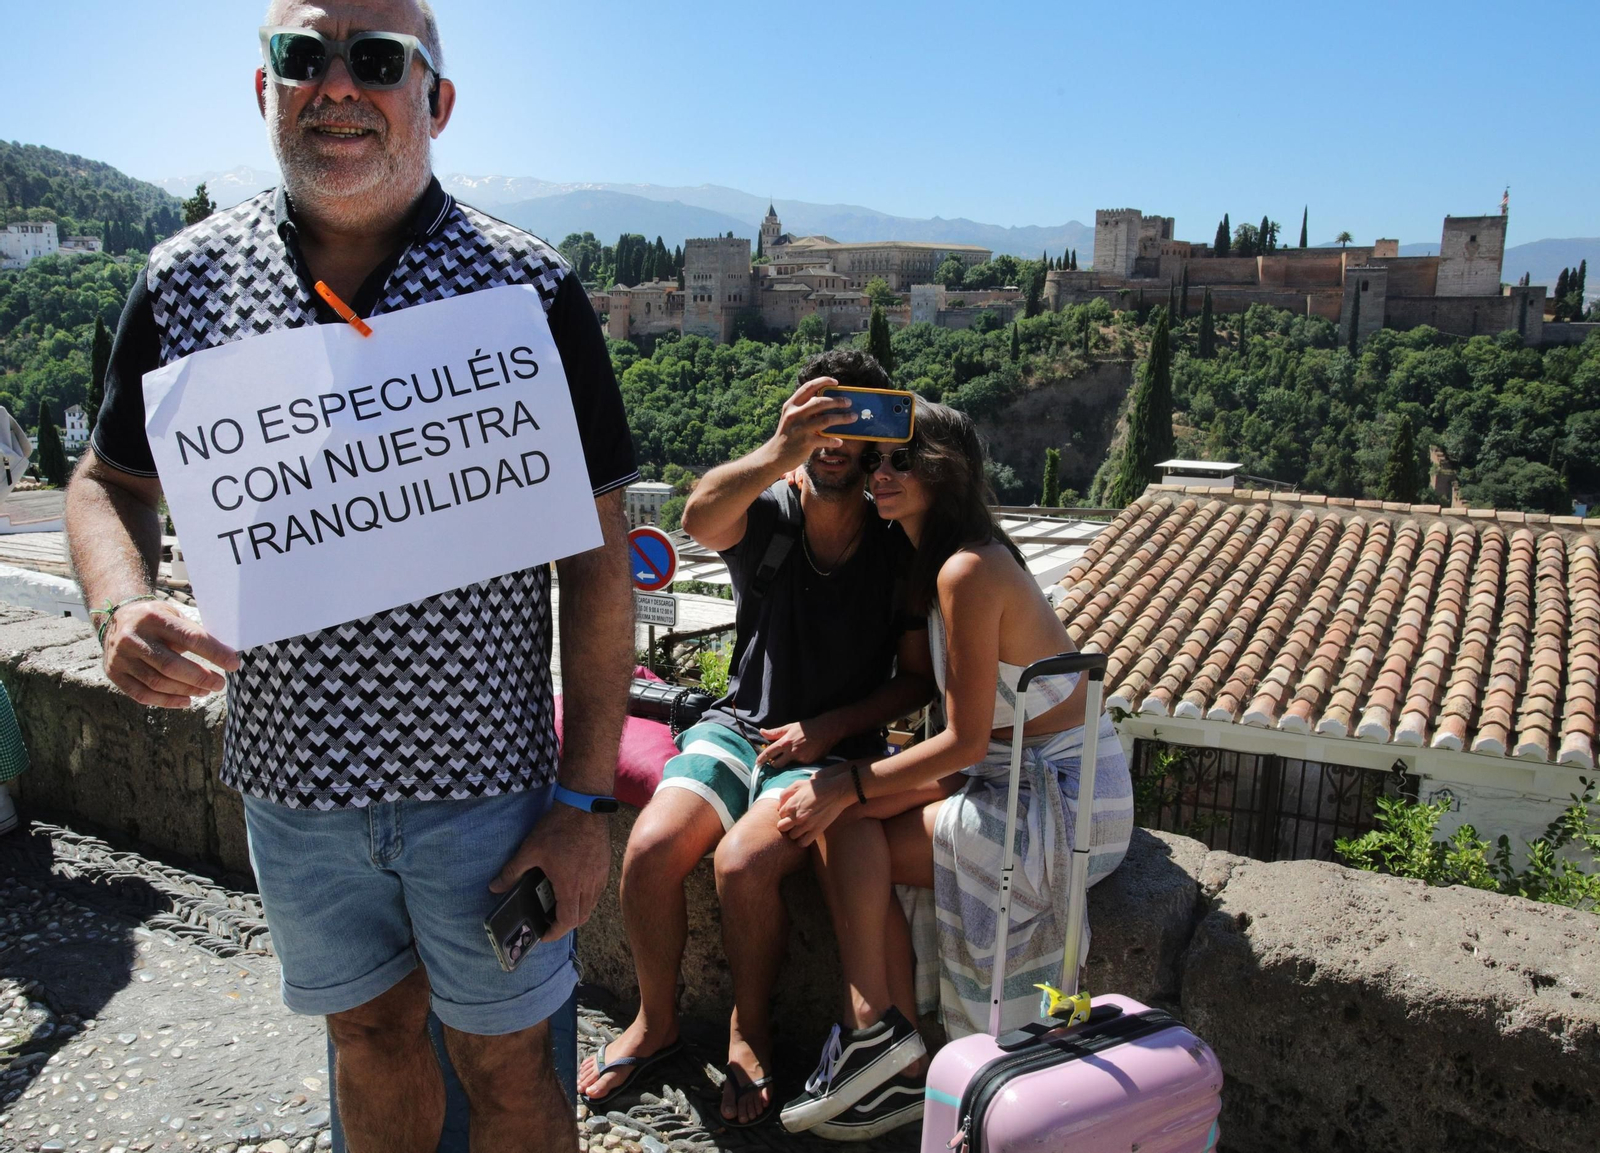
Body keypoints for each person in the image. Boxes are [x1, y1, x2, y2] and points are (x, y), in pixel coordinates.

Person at [63, 3, 636, 1150]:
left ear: (437, 101)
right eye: (302, 56)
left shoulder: (529, 291)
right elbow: (101, 482)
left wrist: (583, 805)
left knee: (512, 1066)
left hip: (491, 792)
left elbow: (598, 561)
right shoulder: (181, 283)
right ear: (262, 86)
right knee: (368, 1038)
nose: (337, 85)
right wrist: (120, 602)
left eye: (377, 62)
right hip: (294, 794)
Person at [575, 350, 935, 1129]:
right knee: (647, 850)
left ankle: (750, 1031)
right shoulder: (772, 510)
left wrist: (830, 726)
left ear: (877, 437)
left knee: (742, 864)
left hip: (834, 748)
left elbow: (917, 680)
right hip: (739, 724)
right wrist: (781, 451)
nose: (834, 439)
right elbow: (700, 516)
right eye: (819, 416)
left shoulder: (895, 545)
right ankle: (655, 1020)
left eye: (851, 420)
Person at [773, 401, 1135, 1136]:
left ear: (946, 470)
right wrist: (856, 785)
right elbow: (974, 744)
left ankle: (883, 1037)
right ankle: (887, 1037)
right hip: (1008, 774)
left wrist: (851, 779)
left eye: (900, 459)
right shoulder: (939, 566)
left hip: (1060, 798)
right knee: (843, 819)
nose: (880, 473)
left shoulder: (968, 571)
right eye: (876, 459)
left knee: (848, 816)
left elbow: (967, 742)